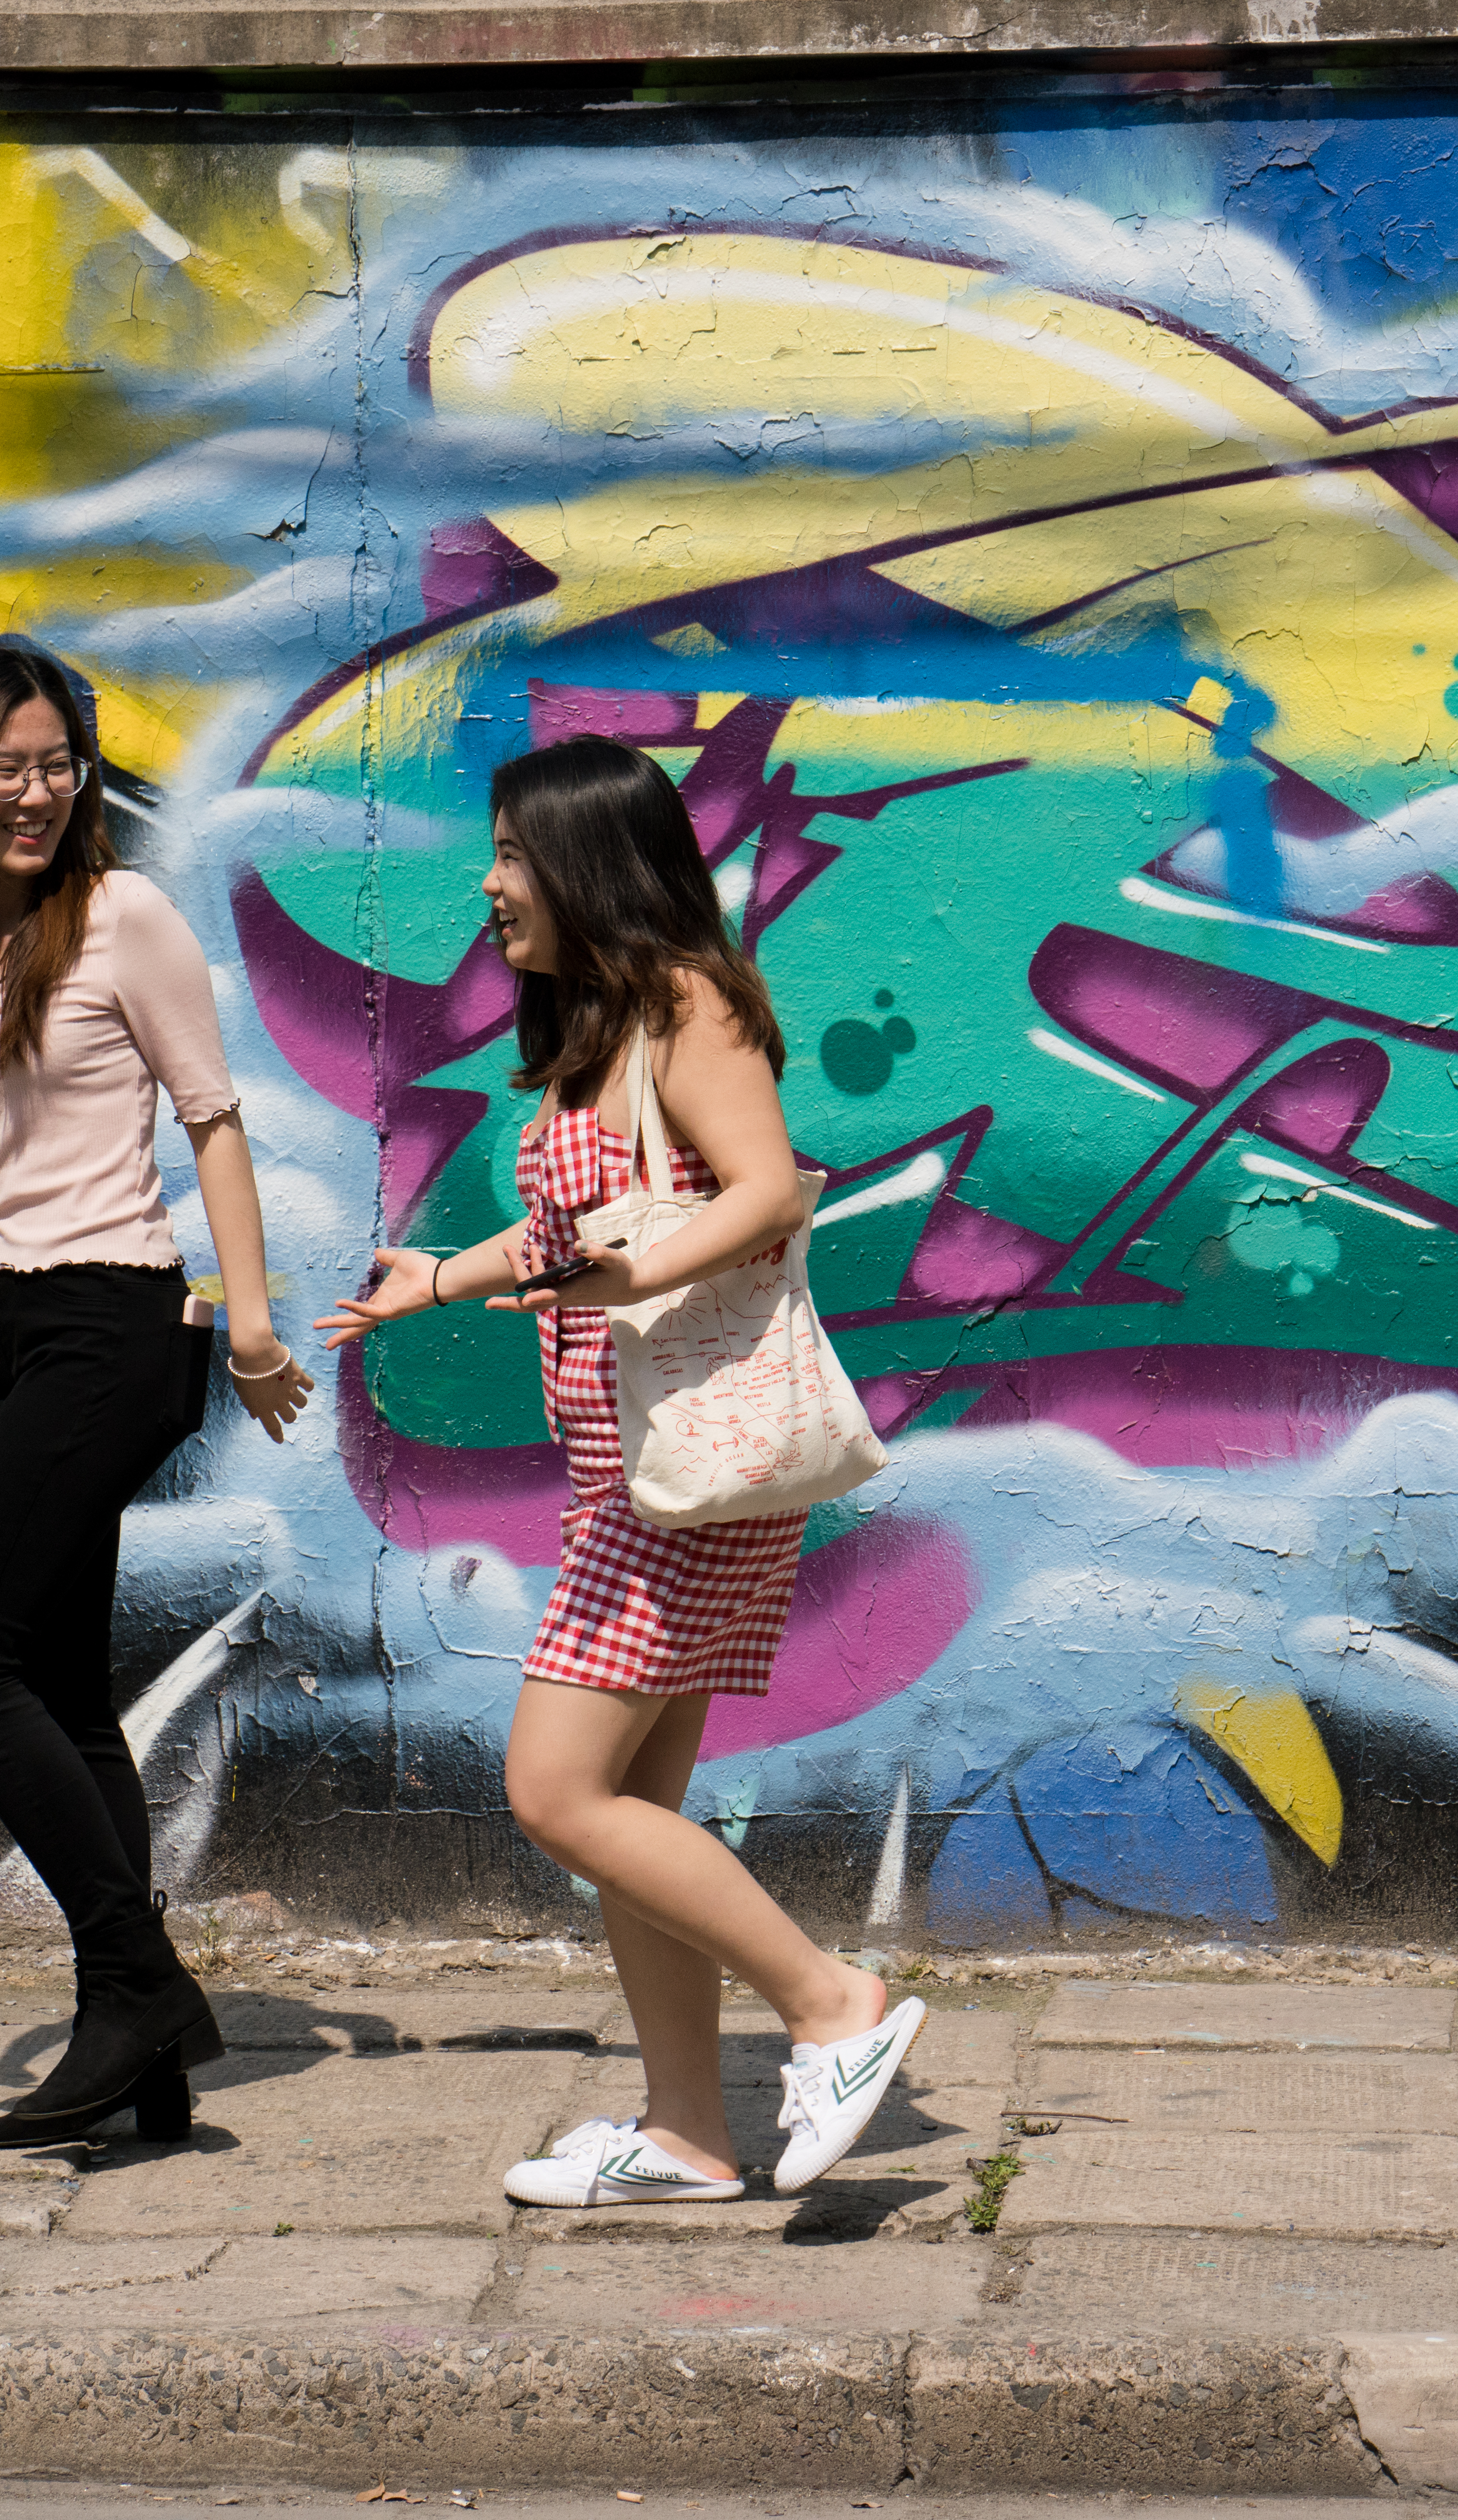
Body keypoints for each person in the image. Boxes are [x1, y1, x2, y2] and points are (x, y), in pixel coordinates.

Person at [318, 735, 921, 2204]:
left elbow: (767, 1191)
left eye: (513, 856)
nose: (491, 884)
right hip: (634, 1478)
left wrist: (631, 1273)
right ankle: (688, 2137)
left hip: (687, 1478)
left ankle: (832, 2003)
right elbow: (576, 1236)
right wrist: (439, 1280)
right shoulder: (601, 1031)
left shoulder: (688, 1005)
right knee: (631, 1814)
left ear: (590, 864)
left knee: (555, 1791)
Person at [0, 640, 314, 2151]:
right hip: (22, 1331)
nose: (39, 792)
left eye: (59, 764)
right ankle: (144, 2049)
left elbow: (215, 1120)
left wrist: (252, 1324)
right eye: (10, 768)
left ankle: (135, 1981)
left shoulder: (124, 918)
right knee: (50, 1684)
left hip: (120, 1325)